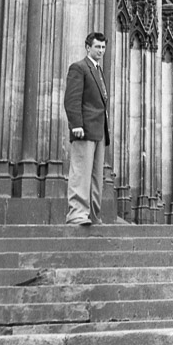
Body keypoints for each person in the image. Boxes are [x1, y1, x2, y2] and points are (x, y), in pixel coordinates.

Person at [64, 32, 110, 226]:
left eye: (103, 47)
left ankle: (93, 215)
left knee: (96, 177)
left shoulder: (98, 70)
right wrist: (77, 125)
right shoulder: (79, 68)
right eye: (97, 47)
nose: (100, 51)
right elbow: (71, 100)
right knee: (81, 173)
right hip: (84, 129)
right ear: (88, 47)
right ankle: (76, 214)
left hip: (99, 130)